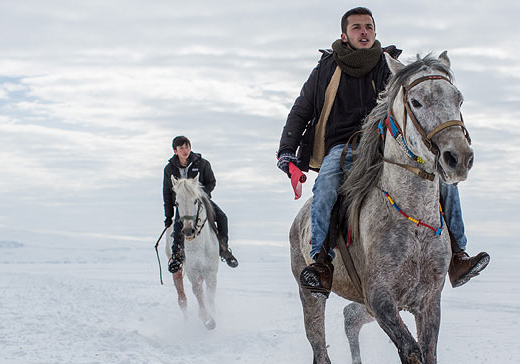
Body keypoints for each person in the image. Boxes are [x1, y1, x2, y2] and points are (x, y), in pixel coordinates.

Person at [276, 7, 489, 293]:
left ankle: (458, 256)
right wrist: (287, 150)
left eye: (368, 27)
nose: (363, 31)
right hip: (343, 147)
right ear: (344, 35)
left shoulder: (389, 65)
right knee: (326, 184)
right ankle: (321, 263)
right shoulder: (326, 68)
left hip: (385, 142)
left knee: (442, 180)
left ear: (375, 32)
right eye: (356, 27)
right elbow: (301, 109)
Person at [163, 135, 238, 272]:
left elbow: (211, 182)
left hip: (202, 200)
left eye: (187, 147)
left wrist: (203, 195)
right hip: (183, 204)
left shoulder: (202, 163)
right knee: (177, 226)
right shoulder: (169, 169)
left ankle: (224, 249)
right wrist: (168, 217)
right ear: (175, 151)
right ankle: (177, 256)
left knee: (222, 217)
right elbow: (167, 193)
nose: (185, 150)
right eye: (181, 148)